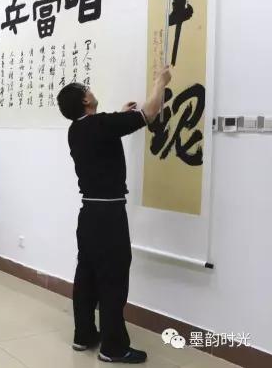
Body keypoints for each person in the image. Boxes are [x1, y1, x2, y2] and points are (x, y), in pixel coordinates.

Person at [57, 66, 172, 364]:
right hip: (109, 215)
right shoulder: (101, 125)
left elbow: (102, 134)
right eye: (87, 89)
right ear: (85, 100)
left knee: (87, 274)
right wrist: (160, 82)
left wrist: (120, 116)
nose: (90, 90)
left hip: (89, 214)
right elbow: (149, 112)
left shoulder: (77, 130)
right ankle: (113, 348)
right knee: (113, 278)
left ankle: (83, 335)